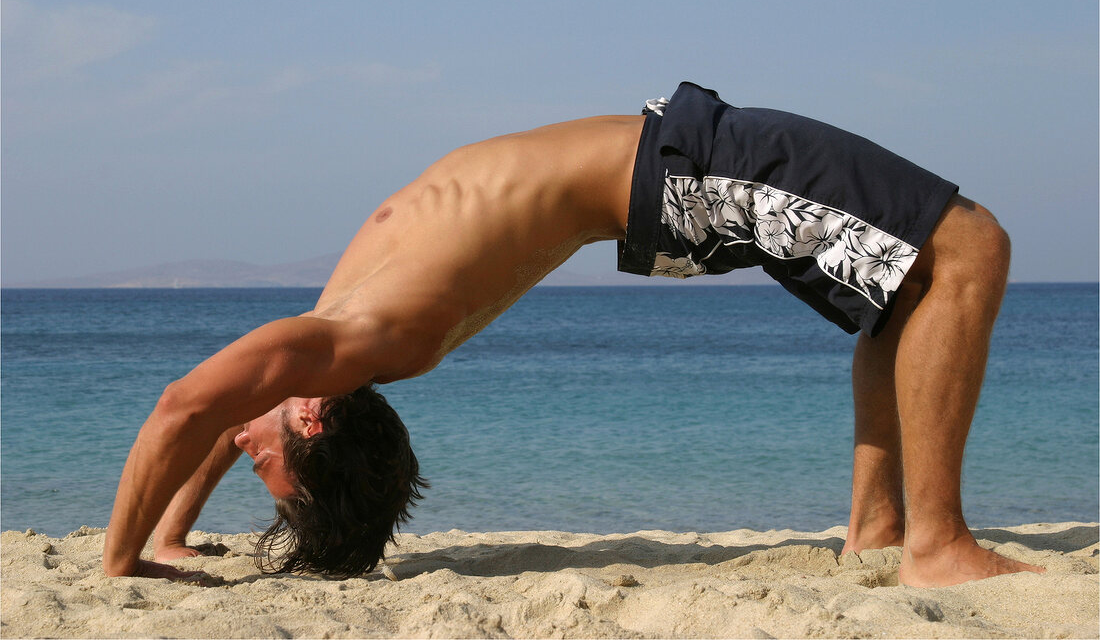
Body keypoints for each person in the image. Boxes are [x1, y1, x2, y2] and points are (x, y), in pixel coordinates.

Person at [102, 82, 1044, 588]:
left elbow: (213, 416)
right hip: (685, 172)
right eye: (263, 471)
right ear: (314, 415)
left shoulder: (346, 338)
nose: (241, 450)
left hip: (669, 177)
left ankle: (884, 531)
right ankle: (934, 541)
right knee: (967, 247)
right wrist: (121, 561)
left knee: (905, 285)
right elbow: (190, 409)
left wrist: (166, 538)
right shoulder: (345, 342)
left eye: (258, 472)